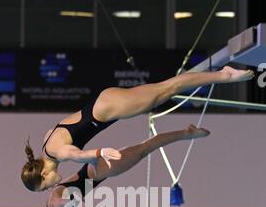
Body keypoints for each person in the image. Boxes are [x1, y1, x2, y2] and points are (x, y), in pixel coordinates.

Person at [21, 66, 254, 191]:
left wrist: (98, 154)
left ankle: (225, 75)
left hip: (109, 110)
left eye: (44, 188)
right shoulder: (46, 143)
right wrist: (94, 160)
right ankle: (222, 75)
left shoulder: (58, 153)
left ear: (43, 175)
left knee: (168, 89)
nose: (50, 189)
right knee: (165, 90)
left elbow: (77, 153)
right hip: (104, 106)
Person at [29, 124, 210, 207]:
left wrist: (71, 203)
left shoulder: (54, 206)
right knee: (144, 148)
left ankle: (186, 133)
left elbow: (65, 201)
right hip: (96, 170)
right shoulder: (50, 206)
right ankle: (185, 133)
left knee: (145, 148)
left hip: (100, 170)